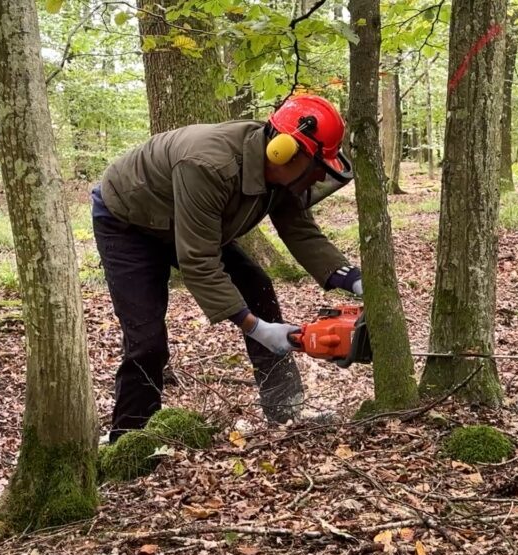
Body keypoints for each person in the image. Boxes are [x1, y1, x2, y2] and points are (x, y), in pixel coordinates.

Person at [91, 94, 363, 442]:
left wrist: (351, 278)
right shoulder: (209, 165)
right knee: (146, 340)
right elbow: (199, 261)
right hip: (127, 220)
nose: (315, 178)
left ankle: (286, 409)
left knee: (257, 284)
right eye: (314, 167)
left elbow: (301, 232)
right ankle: (130, 437)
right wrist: (257, 328)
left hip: (186, 222)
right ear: (284, 150)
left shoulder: (281, 174)